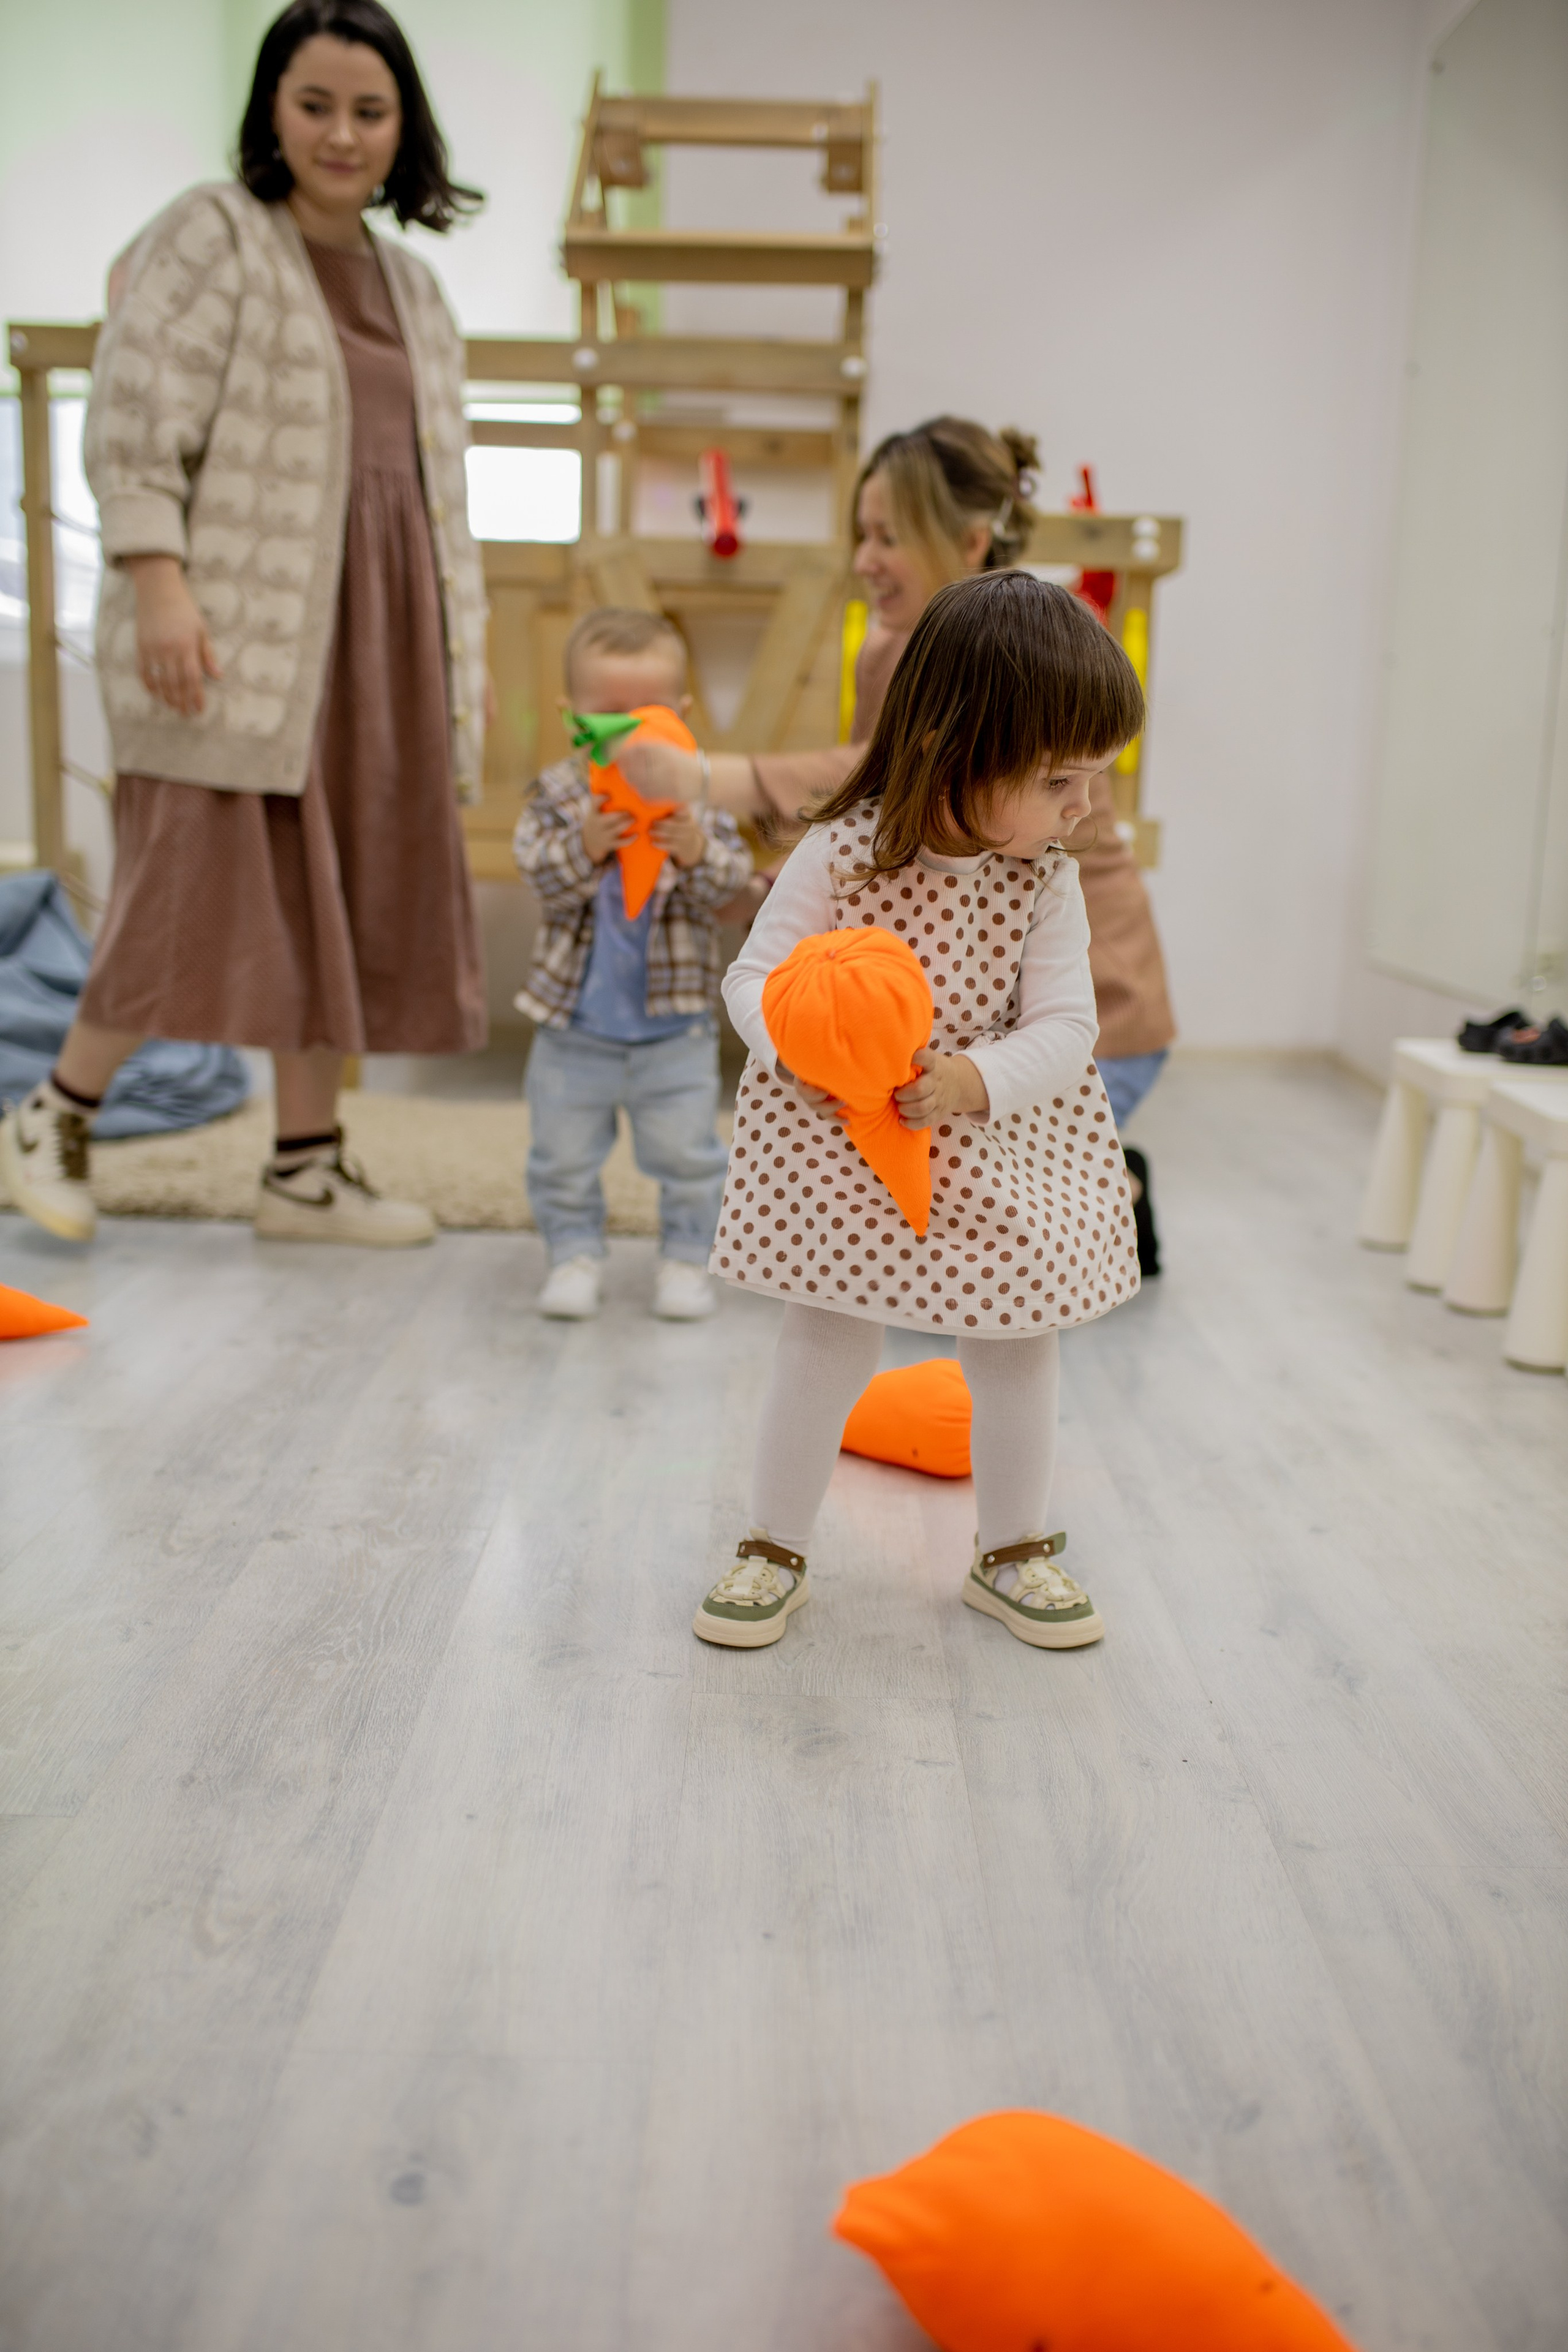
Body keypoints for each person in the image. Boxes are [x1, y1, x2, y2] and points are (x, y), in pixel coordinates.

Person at [0, 0, 489, 1250]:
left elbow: (436, 492)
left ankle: (303, 1168)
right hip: (236, 631)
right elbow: (133, 414)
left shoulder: (418, 289)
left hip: (377, 635)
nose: (339, 133)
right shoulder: (213, 233)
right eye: (313, 103)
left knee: (338, 897)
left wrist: (451, 664)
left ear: (402, 127)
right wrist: (156, 578)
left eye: (367, 111)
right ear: (271, 107)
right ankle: (49, 1117)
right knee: (185, 886)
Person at [692, 571, 1144, 1652]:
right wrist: (798, 1042)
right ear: (955, 746)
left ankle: (1013, 1547)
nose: (1084, 805)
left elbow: (1067, 1028)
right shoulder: (842, 852)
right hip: (846, 1148)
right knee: (824, 1339)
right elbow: (752, 978)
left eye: (1096, 777)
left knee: (1016, 1346)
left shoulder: (1044, 880)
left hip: (988, 1144)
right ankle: (773, 1542)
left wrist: (973, 1080)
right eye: (1060, 779)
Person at [616, 417, 1176, 1272]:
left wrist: (713, 777)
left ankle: (1107, 1182)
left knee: (956, 1227)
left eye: (888, 537)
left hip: (1079, 1030)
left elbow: (867, 768)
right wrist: (771, 892)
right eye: (860, 535)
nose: (865, 559)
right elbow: (877, 820)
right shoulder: (890, 654)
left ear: (970, 542)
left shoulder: (1027, 673)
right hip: (940, 1022)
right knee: (888, 1206)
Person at [513, 609, 752, 1323]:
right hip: (571, 1027)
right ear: (572, 715)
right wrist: (583, 845)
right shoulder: (560, 793)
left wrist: (695, 850)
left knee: (689, 1155)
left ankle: (685, 1257)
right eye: (605, 714)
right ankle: (573, 1253)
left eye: (643, 713)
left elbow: (734, 890)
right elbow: (535, 875)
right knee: (559, 1154)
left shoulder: (698, 792)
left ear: (679, 714)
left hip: (671, 1028)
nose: (625, 732)